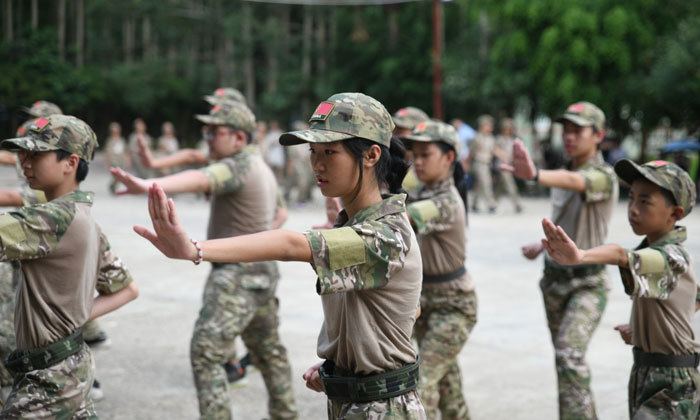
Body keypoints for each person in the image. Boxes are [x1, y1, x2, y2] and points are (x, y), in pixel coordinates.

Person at [132, 92, 427, 419]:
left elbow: (290, 244)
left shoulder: (386, 234)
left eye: (330, 151)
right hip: (358, 401)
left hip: (386, 408)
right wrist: (346, 363)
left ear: (371, 155)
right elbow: (401, 312)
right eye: (313, 151)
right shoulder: (358, 226)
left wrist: (195, 249)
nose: (317, 163)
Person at [111, 101, 298, 420]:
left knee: (206, 353)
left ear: (239, 138)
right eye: (206, 131)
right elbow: (280, 212)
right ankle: (286, 414)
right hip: (262, 271)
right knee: (268, 351)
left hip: (237, 275)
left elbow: (201, 178)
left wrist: (148, 185)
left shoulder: (238, 165)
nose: (208, 137)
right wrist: (258, 237)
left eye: (215, 131)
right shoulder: (259, 165)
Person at [0, 114, 138, 417]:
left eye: (37, 154)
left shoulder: (55, 217)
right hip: (69, 365)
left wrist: (71, 318)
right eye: (23, 153)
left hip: (48, 378)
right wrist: (73, 318)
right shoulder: (84, 217)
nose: (25, 161)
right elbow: (127, 289)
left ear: (70, 163)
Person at [541, 159, 700, 419]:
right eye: (631, 198)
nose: (633, 210)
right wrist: (650, 331)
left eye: (645, 201)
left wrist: (579, 256)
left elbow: (618, 254)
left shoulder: (673, 256)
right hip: (645, 370)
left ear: (675, 214)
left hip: (673, 382)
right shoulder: (652, 249)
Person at [502, 101, 618, 419]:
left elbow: (578, 183)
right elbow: (564, 218)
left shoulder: (603, 175)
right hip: (554, 281)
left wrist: (536, 174)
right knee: (565, 361)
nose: (569, 136)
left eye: (577, 130)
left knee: (569, 355)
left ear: (598, 135)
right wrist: (542, 246)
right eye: (565, 130)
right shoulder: (565, 172)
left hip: (587, 282)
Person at [403, 121, 474, 419]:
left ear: (448, 158)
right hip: (426, 303)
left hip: (453, 307)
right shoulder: (422, 191)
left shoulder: (445, 202)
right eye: (414, 155)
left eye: (425, 155)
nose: (417, 162)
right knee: (449, 389)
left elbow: (403, 218)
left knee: (422, 383)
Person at [391, 107, 430, 196]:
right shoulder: (395, 162)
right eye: (393, 131)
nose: (393, 137)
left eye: (400, 132)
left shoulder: (423, 169)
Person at [466, 115, 497, 213]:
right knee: (486, 183)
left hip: (487, 163)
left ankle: (474, 204)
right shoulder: (476, 137)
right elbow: (472, 152)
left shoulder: (491, 138)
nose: (490, 127)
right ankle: (491, 204)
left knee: (479, 185)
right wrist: (466, 163)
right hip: (479, 163)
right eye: (488, 125)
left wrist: (505, 157)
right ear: (482, 126)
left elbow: (494, 150)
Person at [494, 118, 523, 213]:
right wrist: (503, 155)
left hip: (509, 165)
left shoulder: (512, 139)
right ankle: (517, 204)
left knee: (501, 186)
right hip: (502, 165)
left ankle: (493, 202)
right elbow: (494, 149)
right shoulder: (499, 139)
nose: (508, 129)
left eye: (509, 128)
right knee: (510, 184)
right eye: (506, 128)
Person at [105, 122, 131, 193]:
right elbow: (108, 152)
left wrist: (128, 160)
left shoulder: (121, 140)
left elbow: (125, 151)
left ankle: (113, 186)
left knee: (120, 176)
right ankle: (113, 187)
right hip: (113, 161)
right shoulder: (110, 140)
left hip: (121, 161)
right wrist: (107, 162)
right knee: (115, 175)